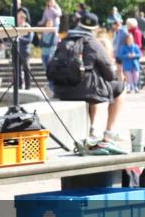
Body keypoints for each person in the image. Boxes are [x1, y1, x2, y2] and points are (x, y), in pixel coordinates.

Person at [51, 14, 127, 150]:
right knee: (119, 88)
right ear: (95, 28)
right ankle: (108, 131)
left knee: (91, 86)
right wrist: (112, 76)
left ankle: (92, 129)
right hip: (83, 91)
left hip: (61, 90)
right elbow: (108, 70)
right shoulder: (92, 42)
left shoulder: (65, 40)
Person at [16, 10, 34, 90]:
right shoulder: (16, 26)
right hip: (16, 50)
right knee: (17, 69)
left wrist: (19, 38)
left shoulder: (27, 27)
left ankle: (28, 86)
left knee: (26, 69)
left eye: (21, 18)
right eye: (18, 17)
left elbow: (29, 40)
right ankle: (19, 86)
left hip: (25, 51)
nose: (19, 19)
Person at [39, 18, 58, 90]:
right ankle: (50, 86)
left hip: (51, 53)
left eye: (50, 23)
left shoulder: (54, 33)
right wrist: (44, 44)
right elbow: (40, 44)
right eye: (48, 23)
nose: (49, 25)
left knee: (51, 70)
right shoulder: (44, 32)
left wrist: (44, 44)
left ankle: (52, 86)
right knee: (46, 70)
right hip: (44, 53)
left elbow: (52, 43)